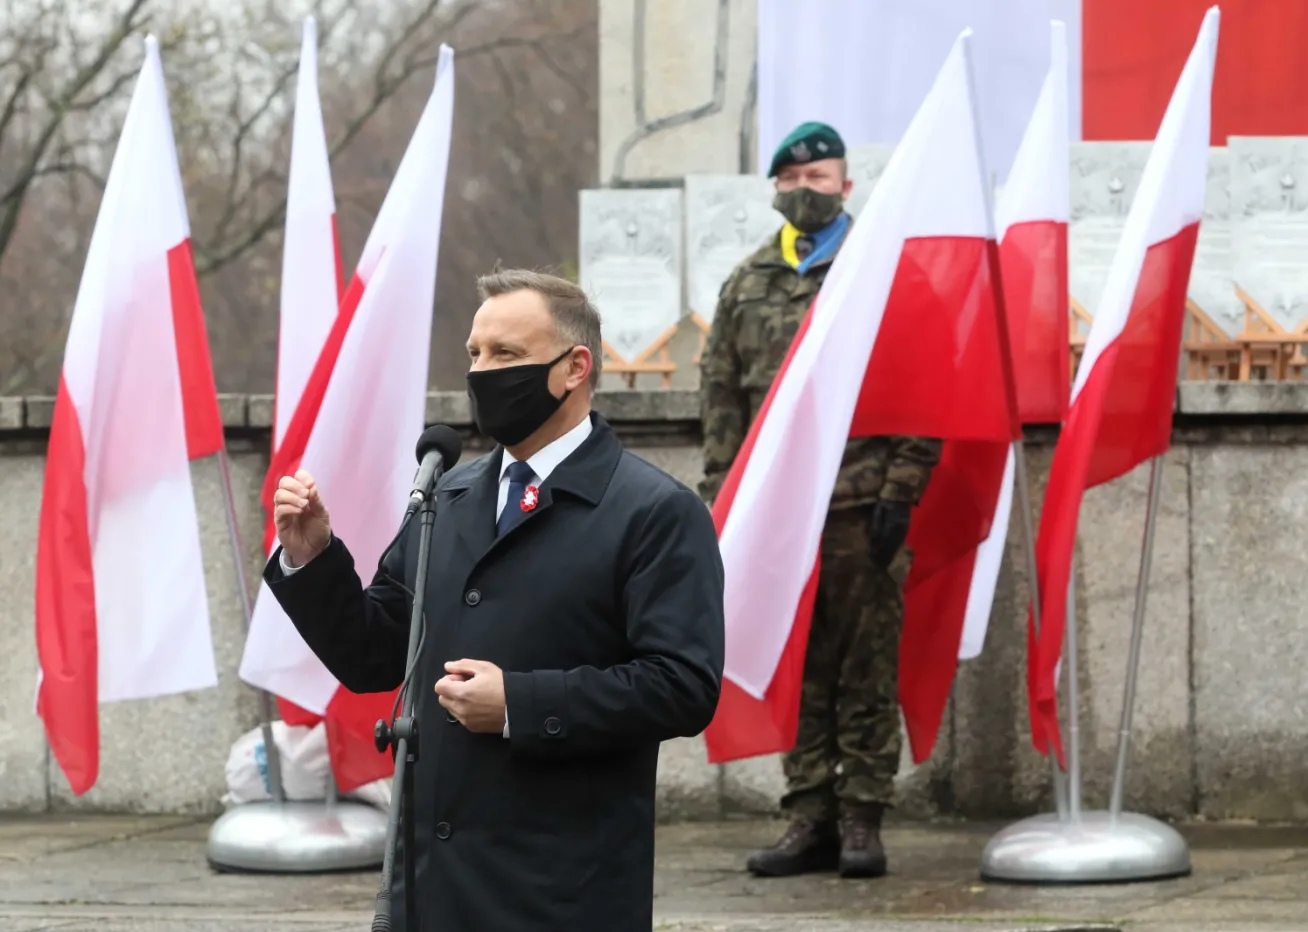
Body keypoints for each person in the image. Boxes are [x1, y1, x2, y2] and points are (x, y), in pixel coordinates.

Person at [265, 268, 725, 931]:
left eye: (506, 355)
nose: (483, 372)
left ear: (575, 368)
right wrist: (312, 559)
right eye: (475, 354)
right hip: (431, 890)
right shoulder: (446, 497)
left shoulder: (653, 512)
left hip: (560, 889)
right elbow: (375, 654)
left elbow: (682, 684)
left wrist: (521, 705)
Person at [698, 122, 940, 880]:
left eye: (820, 178)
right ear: (776, 190)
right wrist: (722, 504)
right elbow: (723, 403)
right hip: (777, 519)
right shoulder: (746, 284)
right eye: (793, 183)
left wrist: (902, 490)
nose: (807, 192)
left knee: (865, 666)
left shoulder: (885, 274)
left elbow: (927, 388)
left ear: (846, 184)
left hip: (863, 506)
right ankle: (809, 817)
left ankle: (864, 820)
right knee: (794, 663)